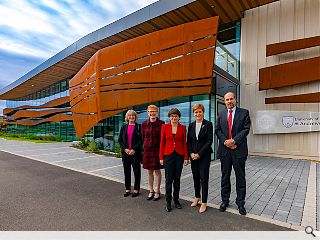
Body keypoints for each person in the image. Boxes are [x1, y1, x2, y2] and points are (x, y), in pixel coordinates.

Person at [215, 92, 251, 215]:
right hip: (225, 151)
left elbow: (246, 129)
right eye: (227, 99)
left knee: (240, 178)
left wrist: (235, 140)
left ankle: (240, 203)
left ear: (235, 100)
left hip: (239, 151)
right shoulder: (221, 114)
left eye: (231, 99)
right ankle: (225, 201)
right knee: (225, 177)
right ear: (224, 101)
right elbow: (217, 130)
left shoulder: (244, 113)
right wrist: (226, 141)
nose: (229, 101)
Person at [159, 108, 189, 212]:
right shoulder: (165, 127)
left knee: (177, 179)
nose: (174, 117)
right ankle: (168, 202)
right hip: (168, 155)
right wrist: (161, 157)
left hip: (179, 155)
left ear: (179, 117)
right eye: (172, 116)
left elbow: (185, 143)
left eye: (176, 116)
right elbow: (162, 143)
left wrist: (186, 157)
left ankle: (176, 200)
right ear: (169, 117)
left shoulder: (183, 128)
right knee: (168, 179)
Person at [187, 104, 213, 213]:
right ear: (193, 113)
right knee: (196, 177)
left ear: (203, 112)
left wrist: (199, 154)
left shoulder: (208, 124)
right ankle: (197, 197)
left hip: (204, 156)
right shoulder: (191, 125)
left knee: (204, 178)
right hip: (193, 157)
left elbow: (209, 141)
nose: (198, 114)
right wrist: (191, 153)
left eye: (200, 112)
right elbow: (189, 141)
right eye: (196, 112)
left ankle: (204, 202)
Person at [141, 105, 164, 201]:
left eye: (154, 111)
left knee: (157, 171)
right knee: (149, 171)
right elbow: (143, 137)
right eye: (150, 111)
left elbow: (163, 138)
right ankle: (151, 190)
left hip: (157, 150)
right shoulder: (144, 124)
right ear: (148, 112)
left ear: (157, 112)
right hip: (147, 150)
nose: (152, 113)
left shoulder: (162, 123)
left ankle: (158, 191)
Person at [118, 110, 142, 198]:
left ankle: (136, 189)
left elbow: (141, 140)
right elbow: (120, 140)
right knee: (126, 171)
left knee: (137, 172)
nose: (131, 117)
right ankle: (127, 189)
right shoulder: (124, 126)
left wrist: (134, 149)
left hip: (135, 153)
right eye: (129, 116)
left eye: (133, 115)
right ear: (127, 117)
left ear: (135, 117)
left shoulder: (139, 126)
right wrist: (125, 149)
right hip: (125, 153)